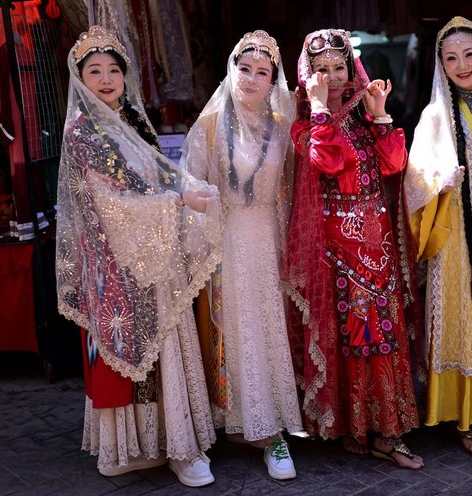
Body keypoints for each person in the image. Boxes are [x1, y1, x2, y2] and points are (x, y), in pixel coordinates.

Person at [55, 26, 221, 487]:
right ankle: (133, 448)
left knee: (167, 346)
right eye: (95, 71)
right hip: (114, 261)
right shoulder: (82, 133)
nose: (106, 79)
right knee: (132, 353)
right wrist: (180, 204)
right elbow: (112, 204)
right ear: (79, 79)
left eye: (114, 70)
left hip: (155, 253)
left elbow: (159, 178)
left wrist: (186, 189)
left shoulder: (131, 122)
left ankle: (180, 446)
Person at [282, 28, 423, 469]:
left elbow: (395, 164)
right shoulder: (305, 124)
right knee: (351, 340)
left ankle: (387, 430)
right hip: (336, 251)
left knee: (383, 336)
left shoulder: (366, 114)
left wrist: (381, 116)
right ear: (307, 75)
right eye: (320, 70)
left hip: (377, 245)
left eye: (339, 67)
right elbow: (329, 161)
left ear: (352, 67)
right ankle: (353, 426)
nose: (332, 77)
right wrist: (322, 107)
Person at [180, 30, 302, 480]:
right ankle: (234, 420)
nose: (250, 79)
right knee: (233, 329)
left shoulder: (284, 126)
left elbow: (296, 191)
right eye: (243, 68)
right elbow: (188, 187)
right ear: (230, 71)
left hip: (270, 240)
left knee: (269, 329)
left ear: (274, 80)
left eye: (262, 72)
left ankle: (271, 431)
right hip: (226, 241)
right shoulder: (207, 127)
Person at [405, 16, 472, 459]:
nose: (462, 64)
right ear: (440, 64)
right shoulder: (434, 115)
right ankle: (464, 417)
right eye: (451, 58)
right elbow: (413, 182)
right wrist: (440, 183)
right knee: (467, 319)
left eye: (469, 54)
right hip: (456, 235)